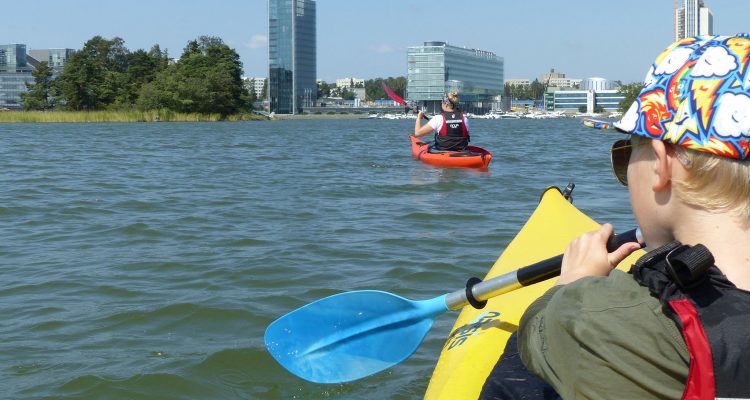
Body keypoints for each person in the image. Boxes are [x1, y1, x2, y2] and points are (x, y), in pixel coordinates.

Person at [516, 34, 750, 399]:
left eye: (626, 154)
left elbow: (542, 332)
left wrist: (573, 287)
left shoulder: (601, 320)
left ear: (661, 163)